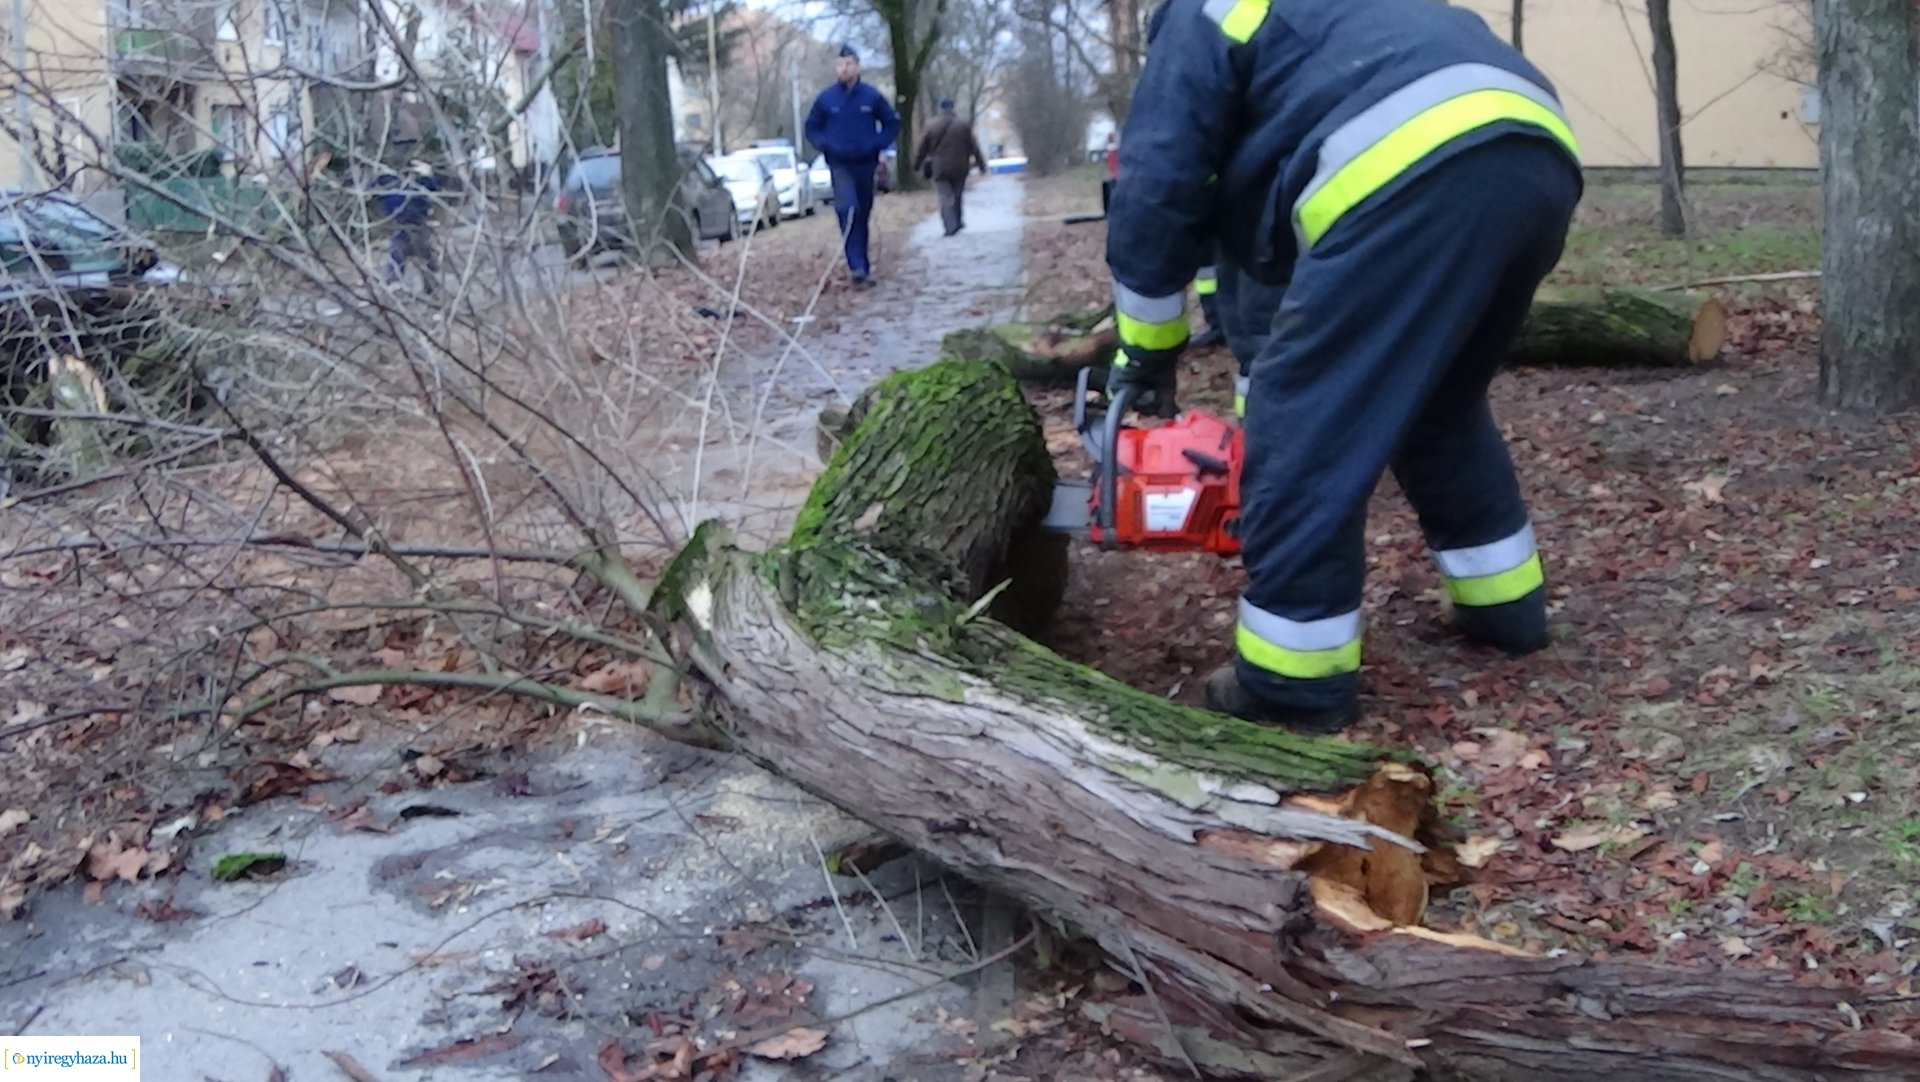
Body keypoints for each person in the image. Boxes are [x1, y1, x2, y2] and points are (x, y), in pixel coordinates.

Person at [1104, 0, 1582, 733]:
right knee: (1442, 403)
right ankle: (1505, 606)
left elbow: (1158, 181)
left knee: (1299, 418)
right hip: (1533, 144)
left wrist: (1146, 346)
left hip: (1407, 159)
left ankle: (1291, 679)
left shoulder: (1200, 12)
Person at [804, 44, 900, 286]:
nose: (844, 69)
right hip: (839, 164)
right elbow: (811, 127)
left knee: (863, 214)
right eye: (840, 65)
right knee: (848, 209)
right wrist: (825, 144)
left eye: (848, 64)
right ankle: (855, 264)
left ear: (857, 66)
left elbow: (891, 122)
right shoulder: (827, 99)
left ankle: (863, 267)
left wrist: (877, 144)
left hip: (865, 164)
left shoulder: (871, 96)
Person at [913, 98, 988, 237]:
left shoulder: (931, 125)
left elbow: (923, 148)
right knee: (958, 195)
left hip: (940, 167)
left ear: (940, 108)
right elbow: (973, 147)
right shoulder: (963, 125)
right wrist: (981, 165)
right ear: (953, 107)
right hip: (960, 166)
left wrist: (917, 165)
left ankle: (949, 226)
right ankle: (958, 222)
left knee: (945, 196)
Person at [378, 160, 441, 293]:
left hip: (413, 226)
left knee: (418, 255)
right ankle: (396, 285)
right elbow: (428, 193)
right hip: (408, 226)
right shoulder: (396, 187)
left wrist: (426, 176)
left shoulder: (400, 187)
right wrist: (426, 176)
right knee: (403, 254)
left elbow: (429, 192)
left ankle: (429, 287)